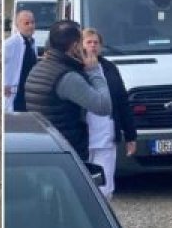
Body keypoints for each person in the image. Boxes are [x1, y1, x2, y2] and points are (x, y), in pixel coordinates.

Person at [25, 20, 112, 162]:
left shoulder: (38, 68)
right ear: (75, 46)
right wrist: (95, 72)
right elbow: (104, 106)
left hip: (43, 146)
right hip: (67, 152)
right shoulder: (66, 77)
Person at [82, 28, 137, 198]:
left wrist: (130, 135)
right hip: (82, 137)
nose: (92, 46)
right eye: (89, 42)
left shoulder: (110, 69)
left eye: (95, 43)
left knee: (104, 188)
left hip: (105, 136)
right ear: (81, 45)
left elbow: (122, 101)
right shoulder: (75, 68)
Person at [4, 10, 38, 112]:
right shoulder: (9, 44)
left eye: (32, 22)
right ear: (18, 25)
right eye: (26, 23)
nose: (31, 26)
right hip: (14, 93)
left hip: (28, 92)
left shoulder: (32, 43)